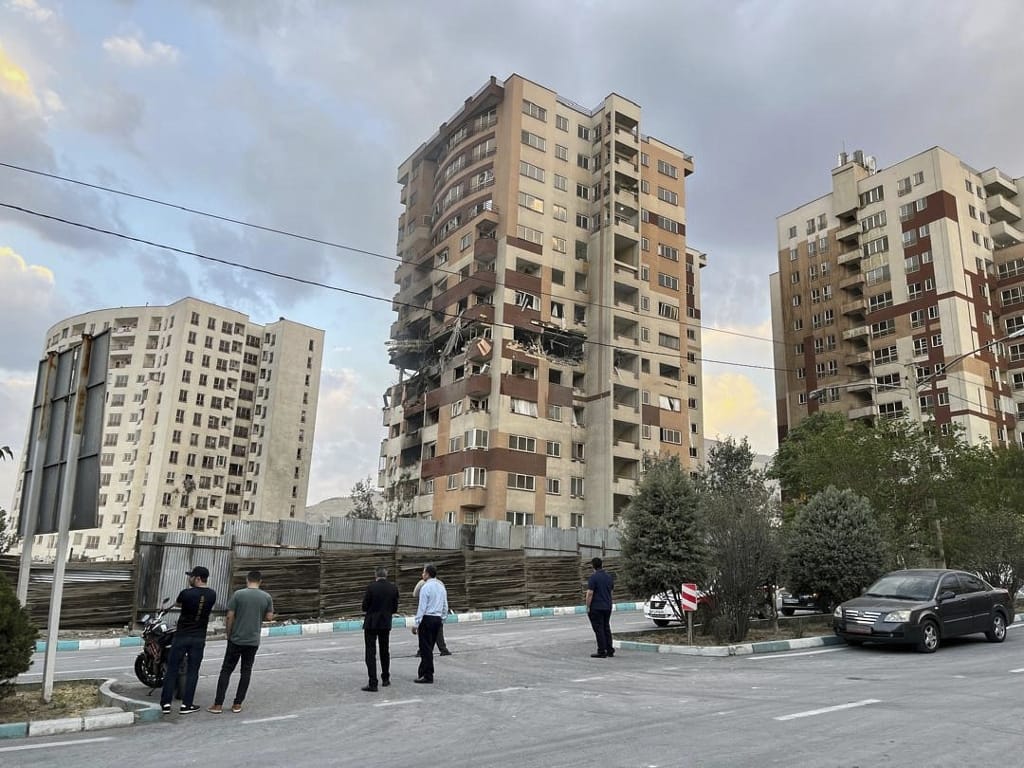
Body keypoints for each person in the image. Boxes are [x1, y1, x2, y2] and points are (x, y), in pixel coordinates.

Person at [208, 570, 274, 714]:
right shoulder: (266, 597)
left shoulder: (238, 595)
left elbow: (229, 616)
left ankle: (218, 704)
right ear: (260, 581)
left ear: (247, 580)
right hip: (253, 640)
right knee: (246, 671)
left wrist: (229, 634)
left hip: (236, 639)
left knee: (226, 670)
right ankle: (237, 704)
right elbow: (269, 617)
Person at [160, 566, 217, 714]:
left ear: (197, 578)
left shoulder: (186, 593)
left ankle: (166, 704)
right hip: (199, 637)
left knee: (172, 669)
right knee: (193, 671)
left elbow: (179, 604)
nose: (189, 579)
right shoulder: (212, 594)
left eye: (191, 576)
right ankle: (187, 705)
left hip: (181, 636)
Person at [360, 565, 400, 692]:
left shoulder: (371, 587)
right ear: (386, 575)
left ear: (375, 575)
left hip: (371, 623)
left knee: (370, 652)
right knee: (384, 650)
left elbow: (364, 606)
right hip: (385, 623)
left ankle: (373, 682)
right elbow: (395, 608)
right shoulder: (393, 588)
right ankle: (386, 678)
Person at [411, 563, 448, 684]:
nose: (422, 574)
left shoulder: (425, 587)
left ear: (427, 574)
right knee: (429, 647)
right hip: (437, 619)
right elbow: (445, 605)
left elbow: (422, 607)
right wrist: (442, 619)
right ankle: (422, 672)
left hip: (427, 618)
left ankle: (428, 675)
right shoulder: (441, 587)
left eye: (423, 572)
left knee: (425, 648)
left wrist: (417, 623)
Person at [413, 575, 451, 657]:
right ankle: (443, 649)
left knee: (424, 636)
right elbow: (445, 603)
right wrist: (443, 617)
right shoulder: (440, 584)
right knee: (438, 633)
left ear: (427, 574)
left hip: (426, 614)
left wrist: (417, 622)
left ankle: (422, 651)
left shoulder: (422, 583)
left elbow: (415, 594)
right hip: (438, 614)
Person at [586, 557, 615, 658]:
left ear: (593, 566)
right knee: (606, 627)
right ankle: (610, 649)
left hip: (596, 607)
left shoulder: (593, 578)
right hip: (607, 606)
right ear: (602, 565)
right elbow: (611, 592)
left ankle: (601, 651)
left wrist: (588, 606)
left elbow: (590, 593)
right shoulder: (609, 577)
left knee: (599, 629)